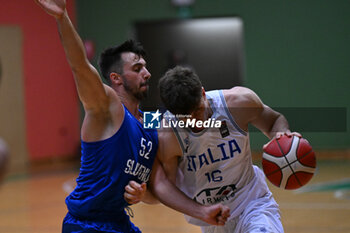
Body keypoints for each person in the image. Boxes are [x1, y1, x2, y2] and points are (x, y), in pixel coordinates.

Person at [35, 1, 230, 232]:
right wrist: (63, 18)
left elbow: (157, 188)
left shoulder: (151, 122)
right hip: (87, 225)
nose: (147, 73)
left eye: (145, 67)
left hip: (120, 222)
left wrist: (144, 193)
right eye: (137, 69)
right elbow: (79, 66)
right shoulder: (107, 108)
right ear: (116, 78)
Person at [151, 66, 301, 233]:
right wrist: (200, 211)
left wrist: (283, 137)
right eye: (186, 118)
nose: (195, 121)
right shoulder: (167, 134)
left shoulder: (238, 102)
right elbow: (166, 185)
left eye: (198, 110)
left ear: (202, 93)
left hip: (252, 205)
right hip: (212, 220)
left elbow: (273, 120)